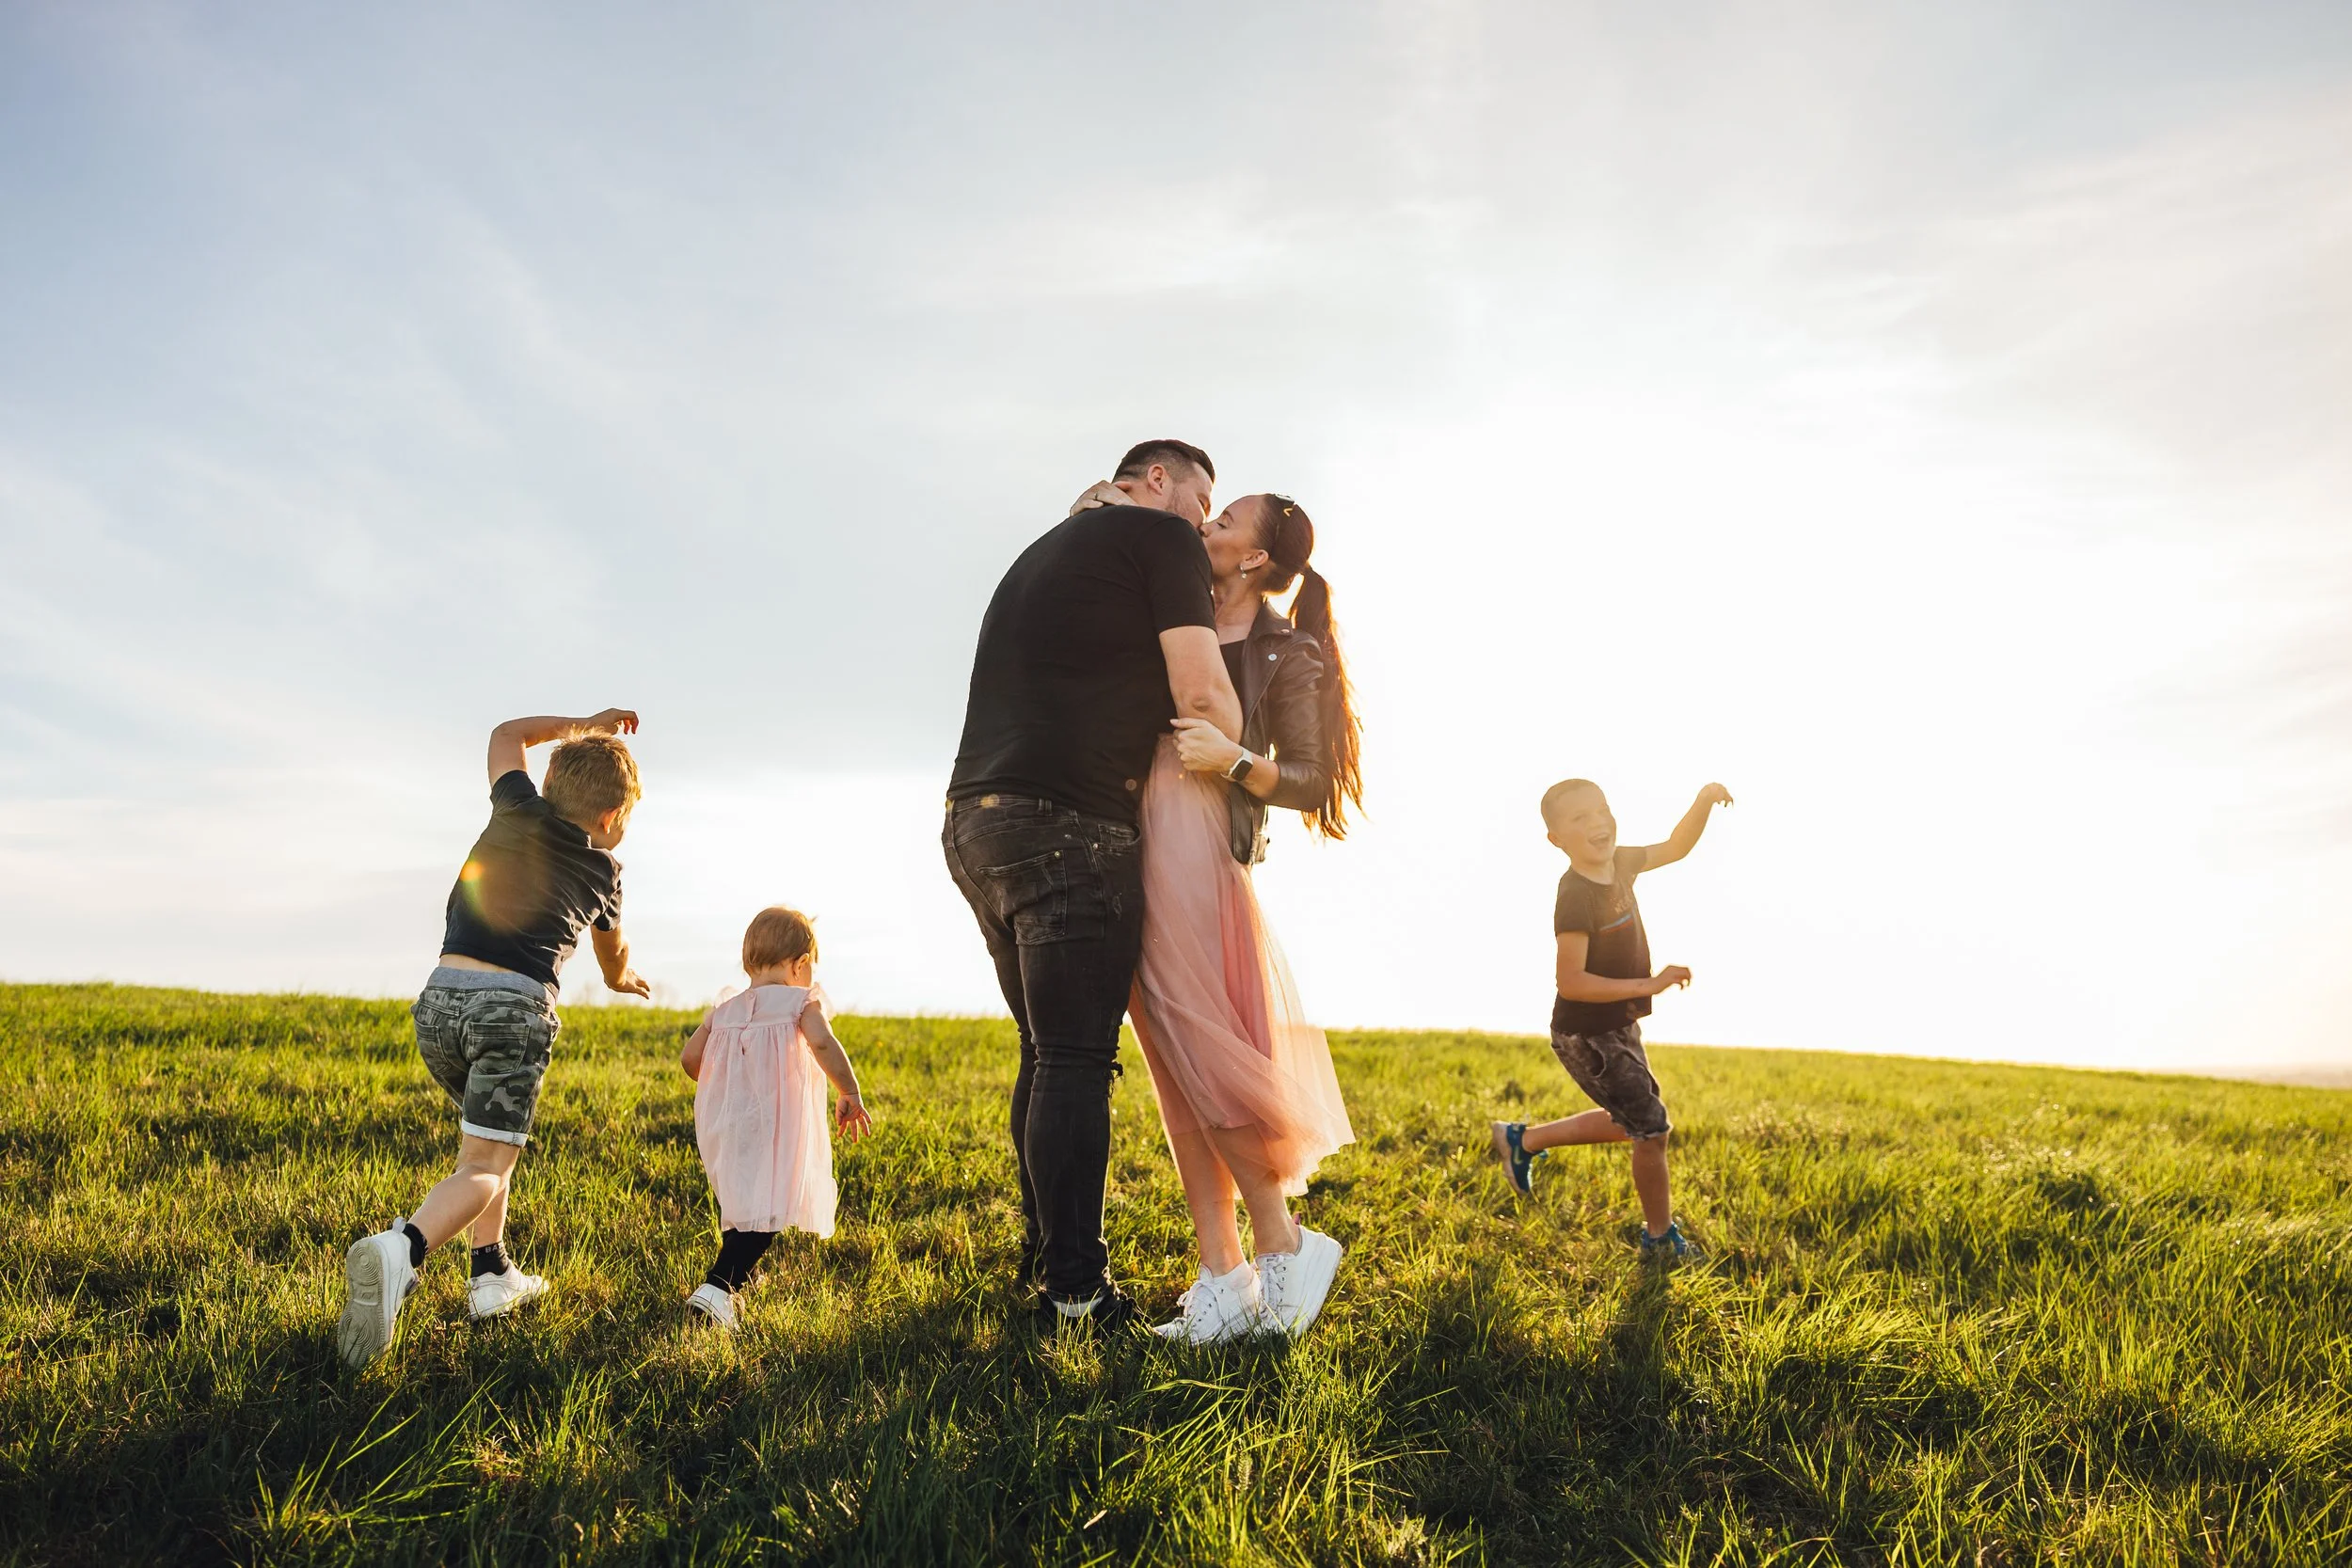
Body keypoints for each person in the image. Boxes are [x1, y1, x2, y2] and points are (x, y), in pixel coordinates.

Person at [944, 438, 1243, 1331]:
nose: (1205, 523)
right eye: (1202, 498)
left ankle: (1045, 1252)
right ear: (1157, 482)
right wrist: (1242, 753)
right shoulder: (1161, 541)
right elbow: (1200, 693)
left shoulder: (1044, 549)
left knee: (1044, 1050)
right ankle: (1075, 1294)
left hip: (973, 820)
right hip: (1069, 822)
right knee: (1076, 1058)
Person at [1094, 488, 1362, 1344]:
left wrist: (1237, 759)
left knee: (1208, 1055)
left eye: (1221, 522)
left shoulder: (1289, 650)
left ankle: (1286, 1242)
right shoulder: (1172, 613)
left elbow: (1314, 781)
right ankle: (1225, 1278)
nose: (1203, 528)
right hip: (1135, 835)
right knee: (1176, 1067)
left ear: (1254, 559)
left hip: (1200, 850)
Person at [336, 709, 650, 1369]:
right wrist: (623, 980)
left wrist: (581, 724)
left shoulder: (516, 807)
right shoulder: (605, 869)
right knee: (486, 1163)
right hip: (512, 1009)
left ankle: (490, 1272)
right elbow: (612, 955)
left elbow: (505, 735)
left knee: (488, 1140)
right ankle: (404, 1248)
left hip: (440, 1001)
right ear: (609, 820)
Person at [1488, 778, 1733, 1262]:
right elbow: (1572, 982)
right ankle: (1660, 1241)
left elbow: (1677, 847)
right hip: (1588, 1033)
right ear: (1556, 839)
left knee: (1637, 1120)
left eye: (1600, 810)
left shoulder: (1622, 863)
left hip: (1617, 1024)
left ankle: (1522, 1139)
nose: (1597, 822)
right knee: (1651, 1130)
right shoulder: (1575, 895)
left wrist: (1703, 799)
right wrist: (1650, 985)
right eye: (1579, 818)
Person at [677, 905, 871, 1331]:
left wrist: (722, 1088)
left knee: (743, 1200)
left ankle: (734, 1278)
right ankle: (717, 1288)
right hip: (777, 1123)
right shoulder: (801, 1002)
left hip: (730, 1119)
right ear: (800, 964)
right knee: (771, 1206)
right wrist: (849, 1091)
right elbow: (823, 1044)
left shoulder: (726, 1008)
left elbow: (691, 1058)